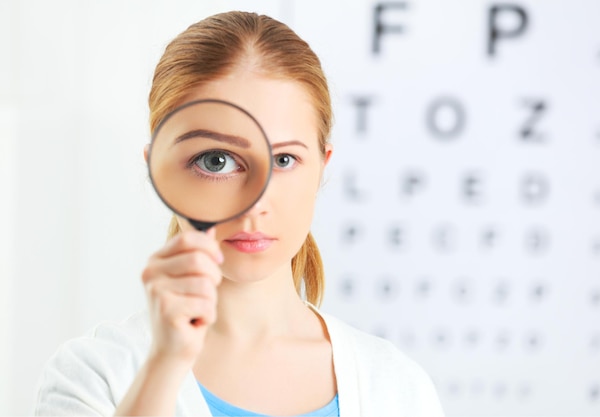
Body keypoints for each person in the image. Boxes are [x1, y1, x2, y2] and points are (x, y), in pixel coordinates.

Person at [34, 11, 444, 417]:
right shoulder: (93, 378)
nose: (254, 202)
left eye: (284, 159)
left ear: (322, 166)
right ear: (157, 169)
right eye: (215, 161)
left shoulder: (396, 387)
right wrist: (164, 367)